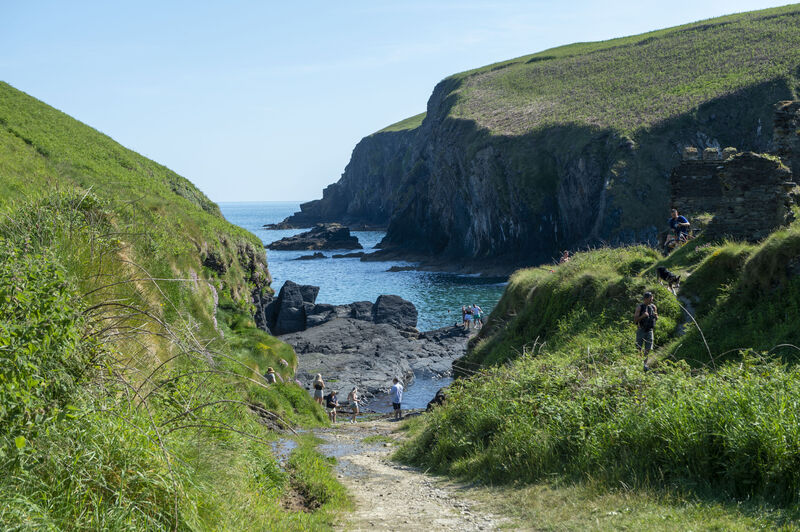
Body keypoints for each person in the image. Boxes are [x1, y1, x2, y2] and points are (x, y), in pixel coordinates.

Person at [634, 292, 658, 371]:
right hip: (641, 330)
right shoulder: (639, 307)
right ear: (645, 299)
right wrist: (642, 316)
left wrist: (656, 316)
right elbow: (635, 320)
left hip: (650, 330)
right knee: (639, 348)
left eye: (652, 298)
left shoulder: (653, 307)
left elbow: (656, 318)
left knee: (648, 349)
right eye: (650, 299)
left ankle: (644, 365)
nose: (651, 300)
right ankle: (638, 363)